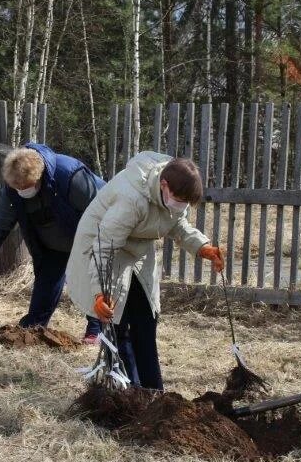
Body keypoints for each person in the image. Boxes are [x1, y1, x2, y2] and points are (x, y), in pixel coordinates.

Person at [66, 153, 225, 390]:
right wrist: (99, 293)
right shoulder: (131, 199)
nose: (181, 205)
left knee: (146, 320)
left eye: (185, 202)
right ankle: (130, 392)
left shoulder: (174, 193)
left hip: (138, 250)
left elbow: (178, 225)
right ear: (164, 185)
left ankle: (153, 392)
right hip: (104, 248)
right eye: (179, 199)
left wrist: (202, 246)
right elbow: (104, 247)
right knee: (117, 322)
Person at [0, 143, 106, 343]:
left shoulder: (70, 176)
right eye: (17, 188)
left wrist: (95, 248)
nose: (21, 191)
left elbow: (98, 212)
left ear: (39, 176)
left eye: (25, 186)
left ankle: (97, 330)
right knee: (45, 283)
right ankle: (34, 329)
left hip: (86, 237)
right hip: (51, 245)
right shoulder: (13, 188)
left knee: (91, 280)